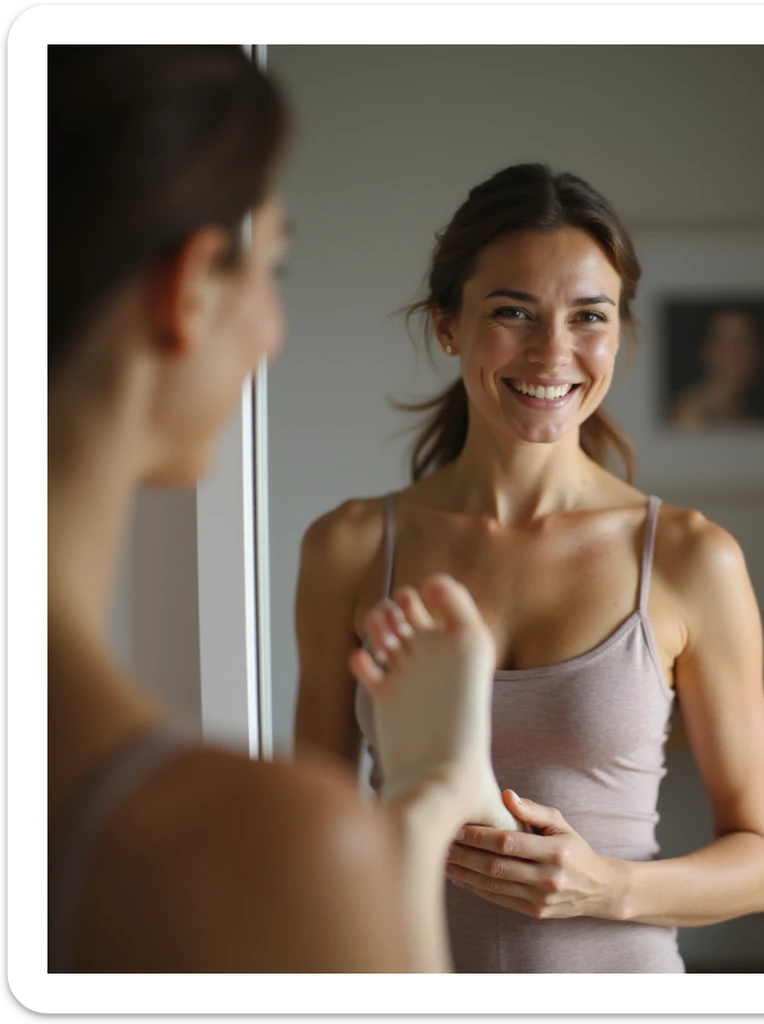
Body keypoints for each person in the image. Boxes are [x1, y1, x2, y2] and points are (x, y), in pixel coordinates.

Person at [47, 44, 501, 973]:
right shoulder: (256, 853)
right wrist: (425, 798)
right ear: (189, 287)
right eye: (273, 270)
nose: (273, 326)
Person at [295, 164, 764, 973]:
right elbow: (309, 826)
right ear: (448, 324)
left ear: (618, 334)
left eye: (587, 317)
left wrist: (606, 887)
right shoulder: (349, 548)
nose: (552, 352)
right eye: (513, 312)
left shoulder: (690, 558)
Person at [671, 307, 764, 428]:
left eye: (749, 342)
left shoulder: (750, 412)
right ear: (708, 351)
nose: (744, 354)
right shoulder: (691, 415)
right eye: (732, 344)